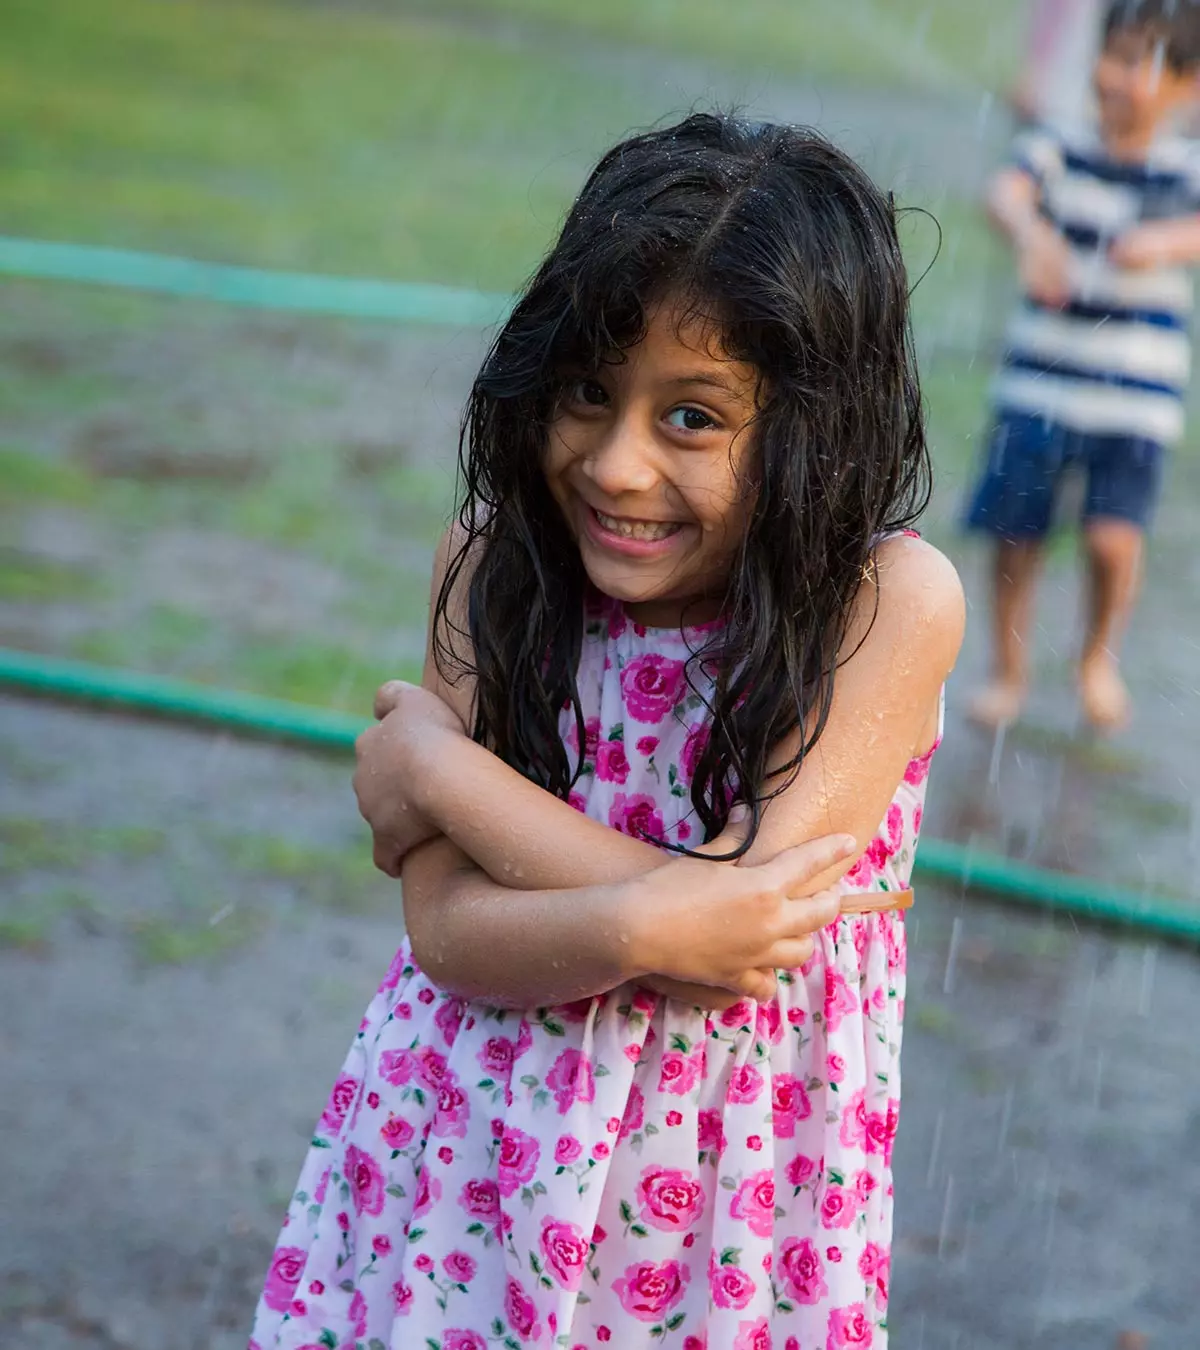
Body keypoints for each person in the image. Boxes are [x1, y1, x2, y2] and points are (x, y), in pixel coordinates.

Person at [249, 113, 964, 1350]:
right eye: (589, 392)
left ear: (814, 434)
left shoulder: (884, 602)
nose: (618, 466)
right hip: (464, 1166)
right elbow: (447, 931)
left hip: (729, 1214)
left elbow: (741, 933)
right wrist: (659, 919)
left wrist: (438, 769)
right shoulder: (489, 565)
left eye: (694, 417)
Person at [967, 0, 1200, 733]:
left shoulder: (1183, 169)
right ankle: (1007, 670)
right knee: (1016, 533)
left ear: (1188, 88)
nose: (1117, 76)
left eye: (1142, 64)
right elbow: (1003, 194)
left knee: (1112, 538)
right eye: (1112, 55)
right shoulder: (1058, 147)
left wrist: (1165, 243)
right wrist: (1031, 233)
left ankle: (1097, 656)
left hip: (1134, 403)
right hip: (1039, 385)